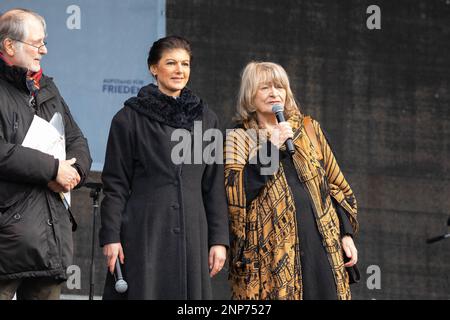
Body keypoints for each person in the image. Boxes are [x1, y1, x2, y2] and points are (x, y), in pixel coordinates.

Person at [99, 35, 229, 299]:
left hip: (193, 235)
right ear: (153, 68)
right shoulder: (129, 119)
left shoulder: (207, 119)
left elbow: (213, 186)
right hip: (144, 232)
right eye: (171, 63)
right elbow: (115, 185)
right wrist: (111, 237)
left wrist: (219, 240)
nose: (179, 70)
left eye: (185, 64)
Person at [224, 61, 359, 300]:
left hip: (321, 249)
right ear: (249, 95)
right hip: (270, 260)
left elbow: (335, 185)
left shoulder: (309, 130)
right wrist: (270, 149)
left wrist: (345, 234)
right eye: (264, 87)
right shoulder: (238, 138)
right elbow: (235, 194)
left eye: (279, 87)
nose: (274, 93)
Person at [0, 9, 92, 300]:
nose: (45, 50)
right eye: (37, 43)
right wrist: (52, 168)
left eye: (45, 42)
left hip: (50, 239)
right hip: (8, 237)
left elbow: (76, 139)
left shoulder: (48, 87)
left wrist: (73, 173)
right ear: (9, 45)